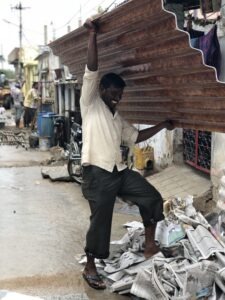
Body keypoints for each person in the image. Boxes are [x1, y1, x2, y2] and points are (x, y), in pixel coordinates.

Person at [80, 18, 174, 290]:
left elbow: (135, 137)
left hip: (118, 172)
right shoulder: (90, 103)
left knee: (152, 197)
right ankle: (90, 266)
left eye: (120, 94)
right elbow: (92, 68)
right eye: (113, 93)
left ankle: (148, 244)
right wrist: (92, 34)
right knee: (101, 220)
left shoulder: (116, 116)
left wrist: (163, 126)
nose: (117, 98)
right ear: (102, 90)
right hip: (97, 173)